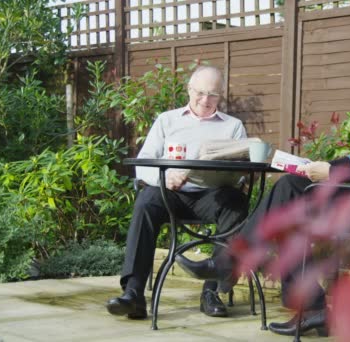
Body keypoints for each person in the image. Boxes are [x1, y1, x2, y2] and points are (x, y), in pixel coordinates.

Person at [175, 26, 350, 336]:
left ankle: (238, 267)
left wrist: (330, 176)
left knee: (289, 193)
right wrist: (318, 167)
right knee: (292, 200)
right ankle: (304, 305)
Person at [106, 66, 250, 319]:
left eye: (213, 95)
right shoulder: (167, 120)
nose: (206, 100)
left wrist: (232, 173)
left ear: (221, 95)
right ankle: (133, 293)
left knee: (236, 202)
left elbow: (241, 171)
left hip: (212, 196)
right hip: (172, 193)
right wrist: (165, 177)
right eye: (201, 93)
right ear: (189, 90)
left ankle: (211, 291)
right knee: (146, 201)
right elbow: (142, 164)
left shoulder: (233, 126)